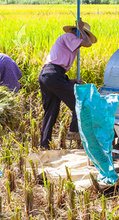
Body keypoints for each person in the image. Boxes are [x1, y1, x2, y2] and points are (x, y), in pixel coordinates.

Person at [38, 19, 96, 149]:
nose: (83, 38)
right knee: (79, 100)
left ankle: (44, 144)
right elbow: (88, 44)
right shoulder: (69, 36)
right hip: (52, 74)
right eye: (82, 34)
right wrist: (81, 28)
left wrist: (68, 80)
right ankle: (73, 131)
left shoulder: (70, 42)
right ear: (78, 32)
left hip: (50, 75)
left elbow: (57, 68)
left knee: (51, 112)